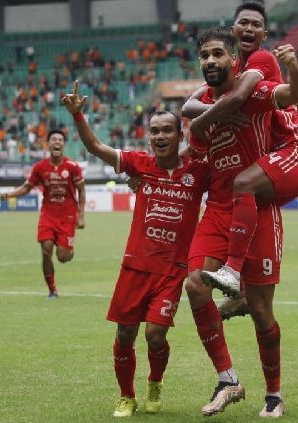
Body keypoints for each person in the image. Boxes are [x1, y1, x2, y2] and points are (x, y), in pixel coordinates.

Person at [61, 81, 211, 417]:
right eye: (154, 131)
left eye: (166, 131)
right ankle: (126, 396)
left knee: (155, 335)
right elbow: (96, 148)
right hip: (136, 265)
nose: (159, 137)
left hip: (173, 270)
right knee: (125, 333)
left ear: (180, 136)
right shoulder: (139, 164)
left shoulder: (198, 171)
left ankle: (155, 382)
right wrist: (78, 117)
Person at [182, 27, 298, 418]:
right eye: (204, 56)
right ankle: (228, 379)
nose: (210, 61)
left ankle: (274, 394)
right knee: (195, 285)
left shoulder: (253, 91)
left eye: (218, 54)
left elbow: (295, 94)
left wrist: (292, 68)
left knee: (261, 310)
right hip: (218, 211)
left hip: (257, 210)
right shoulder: (202, 103)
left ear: (235, 60)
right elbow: (194, 152)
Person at [182, 0, 298, 319]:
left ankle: (233, 273)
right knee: (249, 201)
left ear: (264, 33)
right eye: (243, 23)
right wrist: (213, 116)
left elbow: (240, 99)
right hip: (275, 153)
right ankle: (244, 290)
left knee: (244, 184)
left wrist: (221, 113)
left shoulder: (259, 60)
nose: (248, 29)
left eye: (256, 25)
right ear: (233, 30)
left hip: (293, 149)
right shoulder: (226, 73)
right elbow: (188, 107)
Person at [1, 129, 85, 299]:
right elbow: (27, 187)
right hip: (47, 215)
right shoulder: (40, 167)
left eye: (60, 140)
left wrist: (81, 215)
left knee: (63, 256)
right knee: (46, 250)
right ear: (48, 144)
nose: (57, 142)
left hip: (68, 216)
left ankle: (68, 250)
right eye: (53, 139)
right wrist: (9, 194)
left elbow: (81, 191)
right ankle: (52, 290)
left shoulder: (73, 167)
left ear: (64, 144)